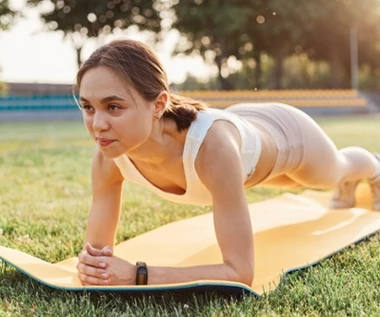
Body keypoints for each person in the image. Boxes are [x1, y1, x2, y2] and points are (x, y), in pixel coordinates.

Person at [75, 39, 380, 287]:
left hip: (290, 136)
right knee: (291, 182)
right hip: (243, 138)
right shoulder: (108, 156)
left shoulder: (212, 150)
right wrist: (96, 268)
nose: (97, 124)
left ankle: (374, 168)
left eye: (113, 107)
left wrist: (138, 275)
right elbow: (97, 257)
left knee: (330, 173)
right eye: (88, 107)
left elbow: (239, 272)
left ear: (158, 104)